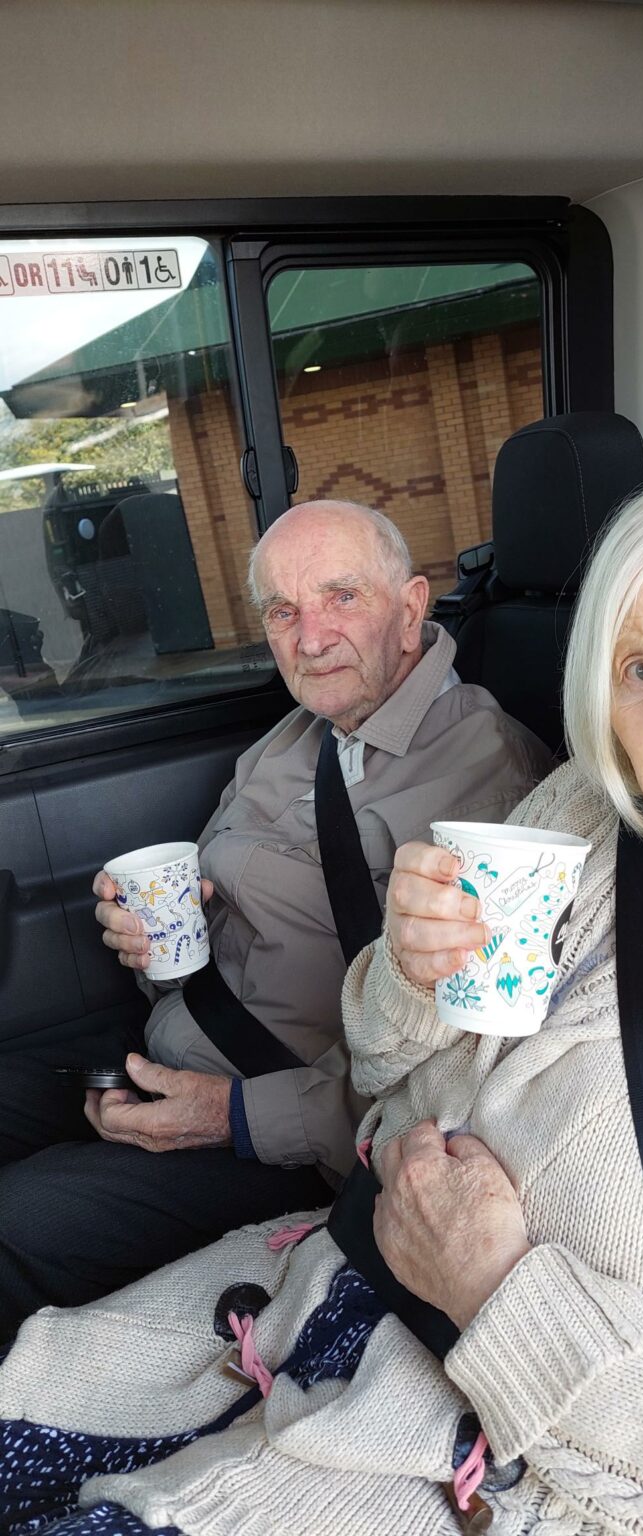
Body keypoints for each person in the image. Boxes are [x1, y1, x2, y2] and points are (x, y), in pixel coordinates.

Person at [3, 462, 643, 1536]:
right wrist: (405, 976)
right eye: (641, 668)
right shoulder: (580, 804)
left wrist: (494, 1286)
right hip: (323, 1276)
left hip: (499, 1442)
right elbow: (384, 1063)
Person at [0, 498, 549, 1338]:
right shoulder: (293, 738)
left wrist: (228, 1114)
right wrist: (152, 947)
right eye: (282, 611)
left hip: (285, 1126)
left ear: (410, 610)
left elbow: (455, 1079)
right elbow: (216, 915)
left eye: (342, 598)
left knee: (16, 1223)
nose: (311, 637)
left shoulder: (491, 782)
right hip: (174, 1037)